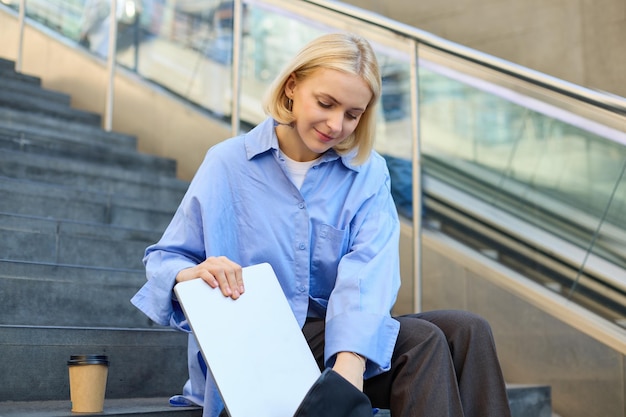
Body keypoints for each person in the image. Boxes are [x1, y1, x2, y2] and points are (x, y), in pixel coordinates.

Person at [130, 32, 513, 417]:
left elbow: (368, 271)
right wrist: (191, 272)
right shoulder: (228, 163)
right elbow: (164, 258)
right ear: (293, 86)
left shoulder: (368, 173)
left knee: (468, 330)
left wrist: (350, 361)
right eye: (326, 103)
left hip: (334, 340)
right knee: (422, 341)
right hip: (257, 346)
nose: (336, 124)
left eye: (352, 114)